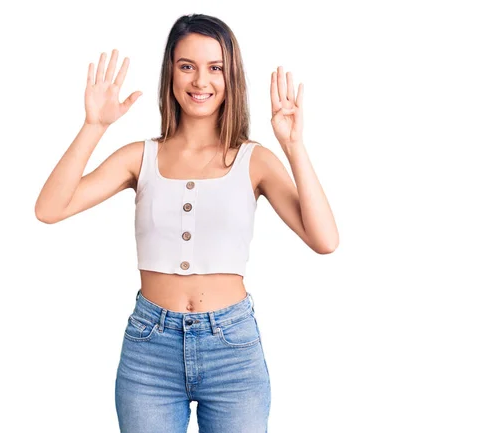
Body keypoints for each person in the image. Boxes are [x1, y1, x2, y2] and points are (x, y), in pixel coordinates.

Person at [35, 13, 338, 433]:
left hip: (232, 349)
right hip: (149, 351)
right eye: (187, 66)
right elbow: (50, 208)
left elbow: (324, 239)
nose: (201, 81)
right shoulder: (138, 157)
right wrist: (94, 126)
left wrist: (294, 146)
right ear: (171, 73)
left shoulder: (255, 160)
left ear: (231, 77)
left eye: (215, 68)